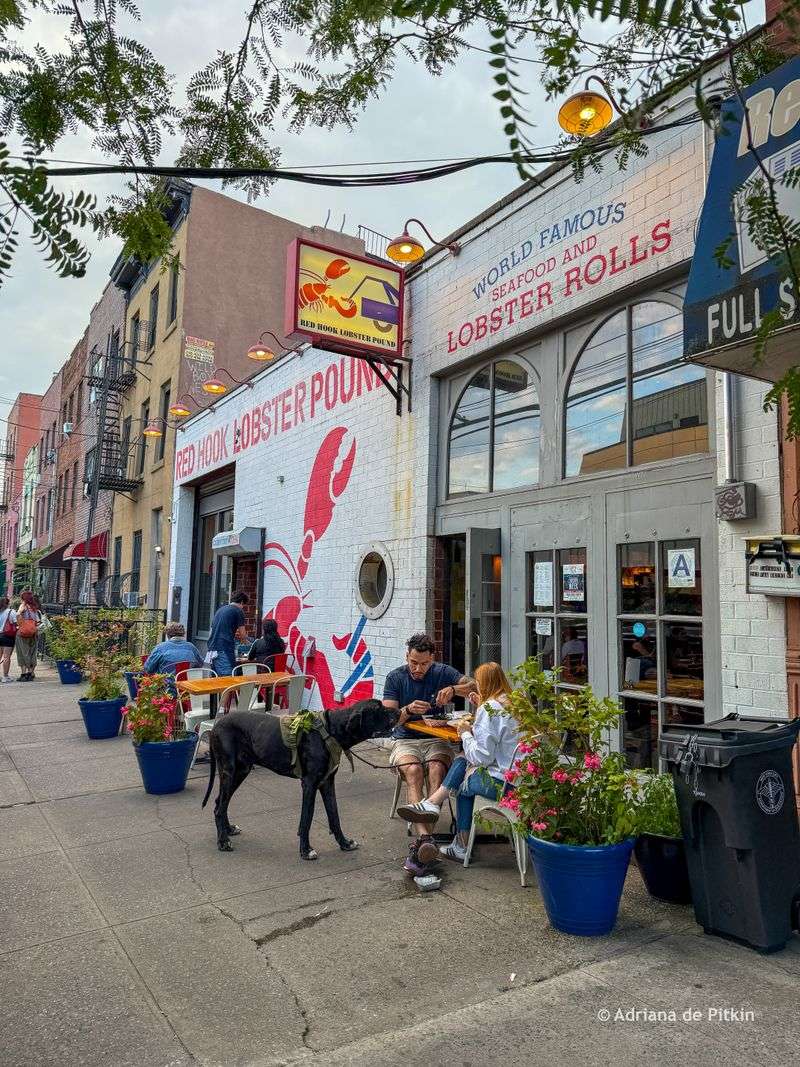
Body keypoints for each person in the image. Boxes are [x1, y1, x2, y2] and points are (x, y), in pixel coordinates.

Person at [397, 661, 521, 863]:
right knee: (462, 761)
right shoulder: (512, 701)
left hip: (505, 786)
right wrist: (480, 706)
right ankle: (435, 807)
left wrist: (464, 733)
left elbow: (481, 757)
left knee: (463, 780)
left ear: (484, 683)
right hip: (523, 781)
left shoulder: (489, 708)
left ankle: (455, 835)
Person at [383, 633, 476, 874]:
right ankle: (426, 840)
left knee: (436, 767)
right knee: (413, 771)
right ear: (407, 657)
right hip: (405, 740)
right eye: (413, 663)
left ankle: (426, 840)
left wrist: (455, 689)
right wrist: (407, 709)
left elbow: (476, 685)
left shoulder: (442, 672)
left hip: (437, 738)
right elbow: (386, 721)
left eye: (424, 664)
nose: (418, 668)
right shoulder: (395, 677)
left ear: (432, 660)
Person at [207, 591, 249, 678]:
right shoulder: (238, 610)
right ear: (241, 602)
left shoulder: (220, 610)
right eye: (243, 605)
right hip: (224, 648)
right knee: (227, 679)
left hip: (212, 649)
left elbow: (211, 631)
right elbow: (243, 634)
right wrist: (247, 643)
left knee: (215, 679)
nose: (242, 607)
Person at [15, 589, 42, 681]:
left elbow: (18, 615)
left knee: (22, 653)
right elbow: (38, 622)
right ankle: (31, 673)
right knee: (32, 653)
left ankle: (24, 674)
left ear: (23, 598)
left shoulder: (23, 606)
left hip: (22, 633)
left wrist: (20, 617)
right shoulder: (34, 608)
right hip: (33, 633)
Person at [0, 596, 17, 683]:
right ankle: (5, 677)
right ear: (7, 603)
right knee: (6, 657)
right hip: (7, 636)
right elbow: (15, 623)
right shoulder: (11, 612)